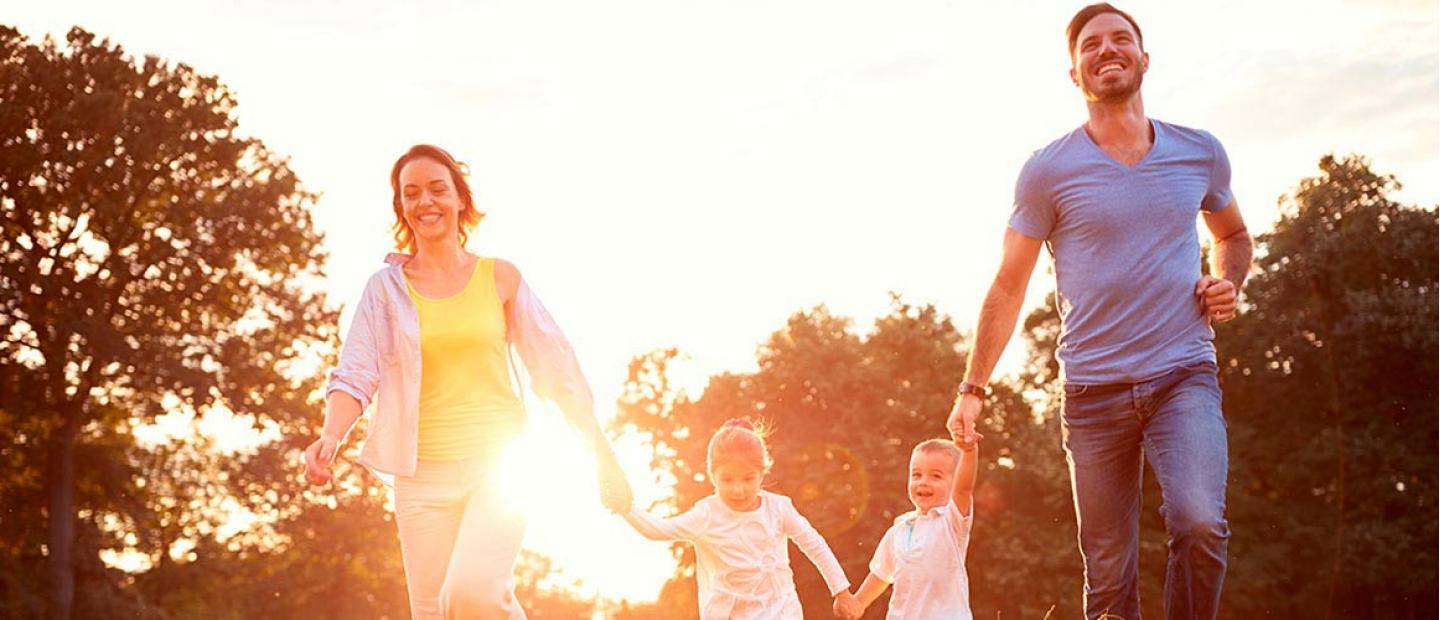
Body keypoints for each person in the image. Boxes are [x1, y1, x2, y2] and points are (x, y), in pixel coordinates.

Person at [945, 4, 1254, 618]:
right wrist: (972, 388)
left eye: (1121, 39)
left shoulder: (1200, 152)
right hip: (1092, 394)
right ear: (1074, 72)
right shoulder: (1048, 170)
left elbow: (1234, 236)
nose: (1107, 50)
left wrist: (1229, 283)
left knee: (1198, 524)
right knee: (1109, 581)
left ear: (1144, 59)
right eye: (1091, 44)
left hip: (1182, 374)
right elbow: (1009, 286)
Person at [301, 144, 632, 619]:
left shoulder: (499, 277)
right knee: (435, 612)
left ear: (460, 199)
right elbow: (355, 371)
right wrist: (331, 435)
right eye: (411, 193)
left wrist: (603, 454)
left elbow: (558, 370)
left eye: (438, 189)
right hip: (420, 478)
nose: (426, 202)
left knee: (472, 594)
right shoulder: (385, 290)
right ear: (402, 207)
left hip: (501, 467)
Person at [621, 419, 861, 619]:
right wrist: (625, 507)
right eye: (727, 479)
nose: (738, 490)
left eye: (748, 479)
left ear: (762, 473)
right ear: (712, 475)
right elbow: (659, 530)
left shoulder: (778, 508)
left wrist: (841, 591)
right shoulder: (707, 515)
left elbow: (813, 544)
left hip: (781, 611)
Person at [841, 438, 979, 620]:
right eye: (916, 475)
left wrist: (969, 451)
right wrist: (858, 603)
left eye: (936, 476)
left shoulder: (951, 522)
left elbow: (964, 489)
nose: (923, 482)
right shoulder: (898, 530)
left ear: (954, 483)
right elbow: (881, 574)